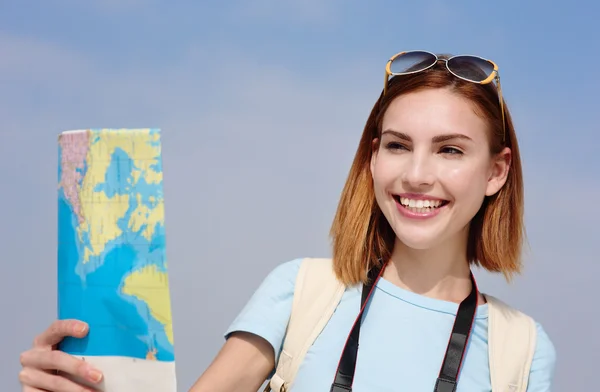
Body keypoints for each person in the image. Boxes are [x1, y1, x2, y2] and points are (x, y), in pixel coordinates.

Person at [19, 50, 556, 391]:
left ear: (496, 171)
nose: (416, 174)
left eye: (450, 151)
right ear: (373, 157)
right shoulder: (300, 292)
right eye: (398, 145)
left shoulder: (524, 351)